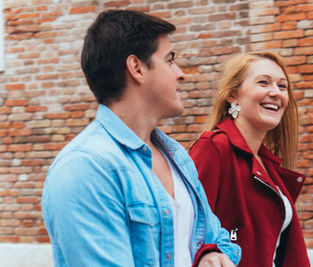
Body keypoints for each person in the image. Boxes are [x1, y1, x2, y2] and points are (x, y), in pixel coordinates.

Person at [41, 10, 241, 267]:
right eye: (169, 60)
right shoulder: (85, 168)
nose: (181, 73)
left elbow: (219, 238)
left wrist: (210, 254)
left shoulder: (176, 155)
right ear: (136, 68)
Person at [189, 51, 310, 267]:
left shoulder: (268, 165)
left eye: (282, 86)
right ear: (232, 95)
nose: (276, 92)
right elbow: (190, 228)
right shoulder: (214, 148)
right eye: (263, 82)